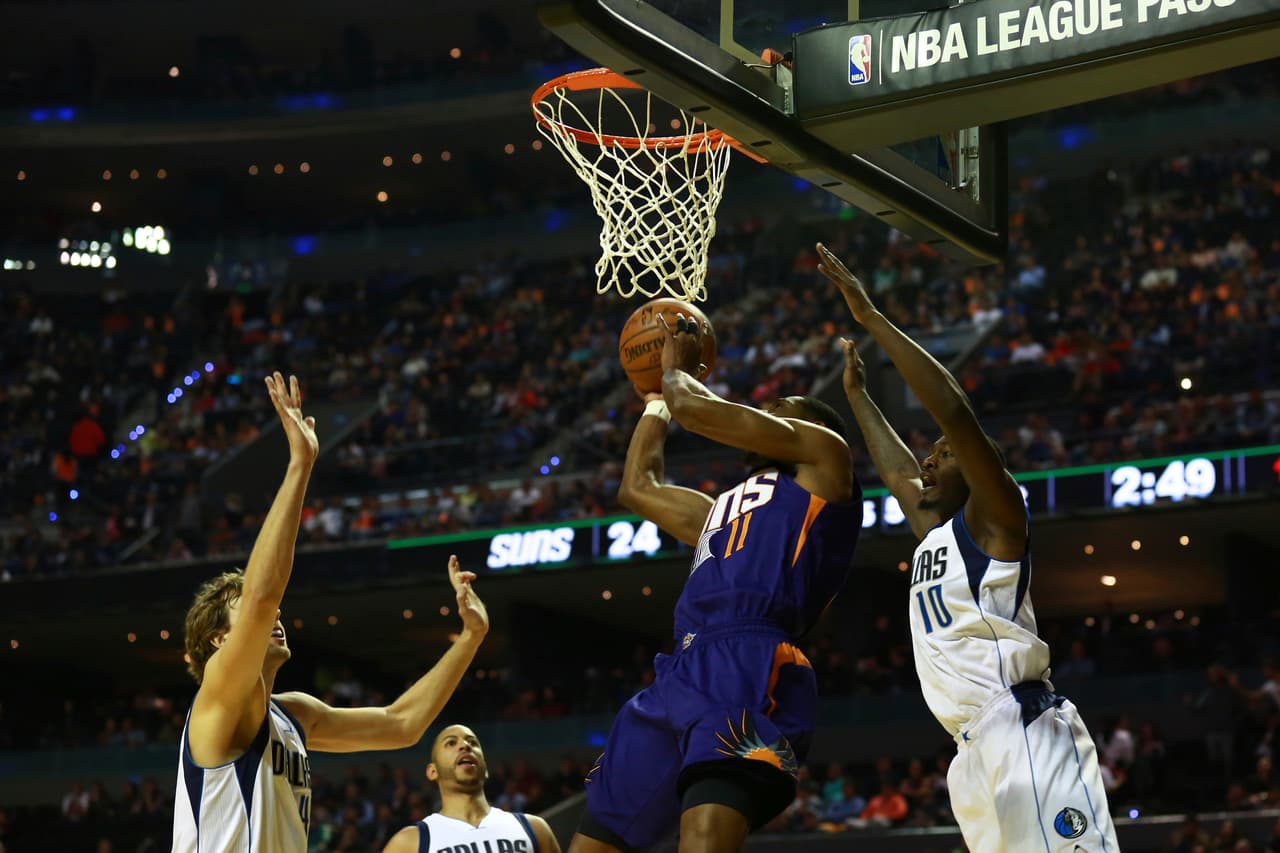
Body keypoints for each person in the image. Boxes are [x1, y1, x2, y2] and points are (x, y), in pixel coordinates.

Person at [817, 242, 1118, 853]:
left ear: (981, 467)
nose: (928, 458)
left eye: (943, 453)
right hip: (970, 749)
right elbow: (903, 477)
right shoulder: (937, 537)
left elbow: (954, 411)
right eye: (929, 455)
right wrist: (857, 399)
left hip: (1022, 726)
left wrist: (871, 318)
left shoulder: (1000, 519)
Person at [569, 314, 862, 853]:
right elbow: (638, 488)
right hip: (678, 670)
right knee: (596, 842)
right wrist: (656, 400)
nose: (763, 414)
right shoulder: (717, 511)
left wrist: (674, 374)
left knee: (703, 840)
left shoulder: (827, 460)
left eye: (779, 411)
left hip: (751, 661)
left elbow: (699, 409)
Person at [172, 373, 489, 853]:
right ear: (218, 640)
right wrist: (300, 464)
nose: (276, 613)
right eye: (257, 611)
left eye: (278, 609)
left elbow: (401, 724)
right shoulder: (218, 698)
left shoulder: (294, 715)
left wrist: (470, 639)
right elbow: (260, 597)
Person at [382, 724, 560, 853]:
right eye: (451, 743)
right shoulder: (409, 843)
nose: (465, 746)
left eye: (473, 743)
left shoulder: (534, 829)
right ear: (432, 771)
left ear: (486, 768)